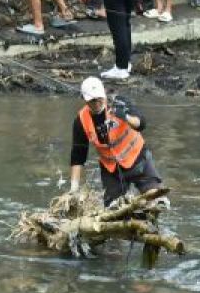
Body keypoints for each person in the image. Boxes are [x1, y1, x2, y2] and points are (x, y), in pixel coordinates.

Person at [69, 77, 164, 207]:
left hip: (138, 159)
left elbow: (141, 123)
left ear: (103, 93)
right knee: (113, 210)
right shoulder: (81, 121)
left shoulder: (120, 103)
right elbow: (77, 157)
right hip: (111, 170)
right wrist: (73, 189)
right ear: (85, 100)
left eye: (99, 98)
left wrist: (125, 116)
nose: (97, 103)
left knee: (155, 199)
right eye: (92, 101)